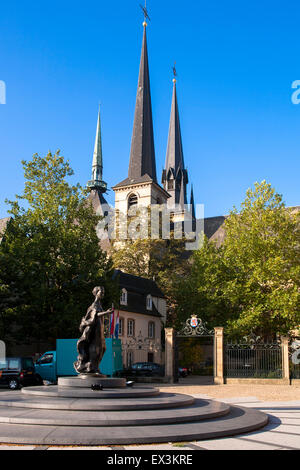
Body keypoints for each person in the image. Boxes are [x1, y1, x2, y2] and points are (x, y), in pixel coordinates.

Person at [74, 286, 112, 375]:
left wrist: (105, 319)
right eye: (101, 292)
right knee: (96, 349)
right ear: (96, 293)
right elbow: (95, 315)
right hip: (95, 332)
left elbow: (99, 316)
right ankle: (91, 367)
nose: (102, 294)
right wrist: (106, 312)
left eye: (103, 292)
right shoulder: (94, 304)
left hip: (99, 330)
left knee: (102, 348)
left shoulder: (99, 305)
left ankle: (95, 367)